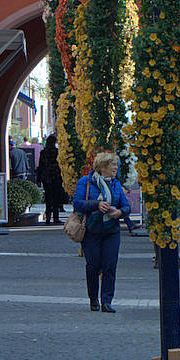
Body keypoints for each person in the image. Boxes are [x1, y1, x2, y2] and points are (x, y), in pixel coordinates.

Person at [72, 152, 130, 313]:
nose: (116, 168)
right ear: (103, 167)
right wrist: (96, 205)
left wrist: (120, 212)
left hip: (111, 231)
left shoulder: (116, 184)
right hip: (91, 231)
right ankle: (93, 299)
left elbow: (126, 206)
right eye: (113, 165)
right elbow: (77, 203)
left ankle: (106, 301)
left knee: (110, 266)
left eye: (116, 165)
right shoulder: (86, 182)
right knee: (93, 266)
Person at [36, 134, 64, 225]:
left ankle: (48, 218)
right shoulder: (57, 152)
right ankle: (56, 218)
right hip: (56, 177)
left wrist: (38, 180)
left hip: (46, 178)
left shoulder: (43, 152)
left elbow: (40, 166)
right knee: (56, 198)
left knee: (48, 198)